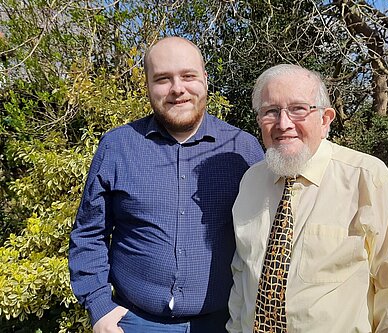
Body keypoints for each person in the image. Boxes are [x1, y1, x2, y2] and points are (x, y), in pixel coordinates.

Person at [68, 36, 264, 333]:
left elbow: (267, 236)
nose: (177, 89)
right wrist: (99, 307)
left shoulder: (243, 151)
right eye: (163, 79)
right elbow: (89, 233)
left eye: (188, 76)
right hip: (133, 322)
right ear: (147, 85)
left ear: (205, 80)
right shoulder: (117, 147)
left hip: (224, 322)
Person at [226, 64, 388, 332]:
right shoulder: (251, 181)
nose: (283, 123)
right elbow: (242, 274)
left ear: (325, 120)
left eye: (299, 109)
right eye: (271, 111)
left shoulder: (366, 178)